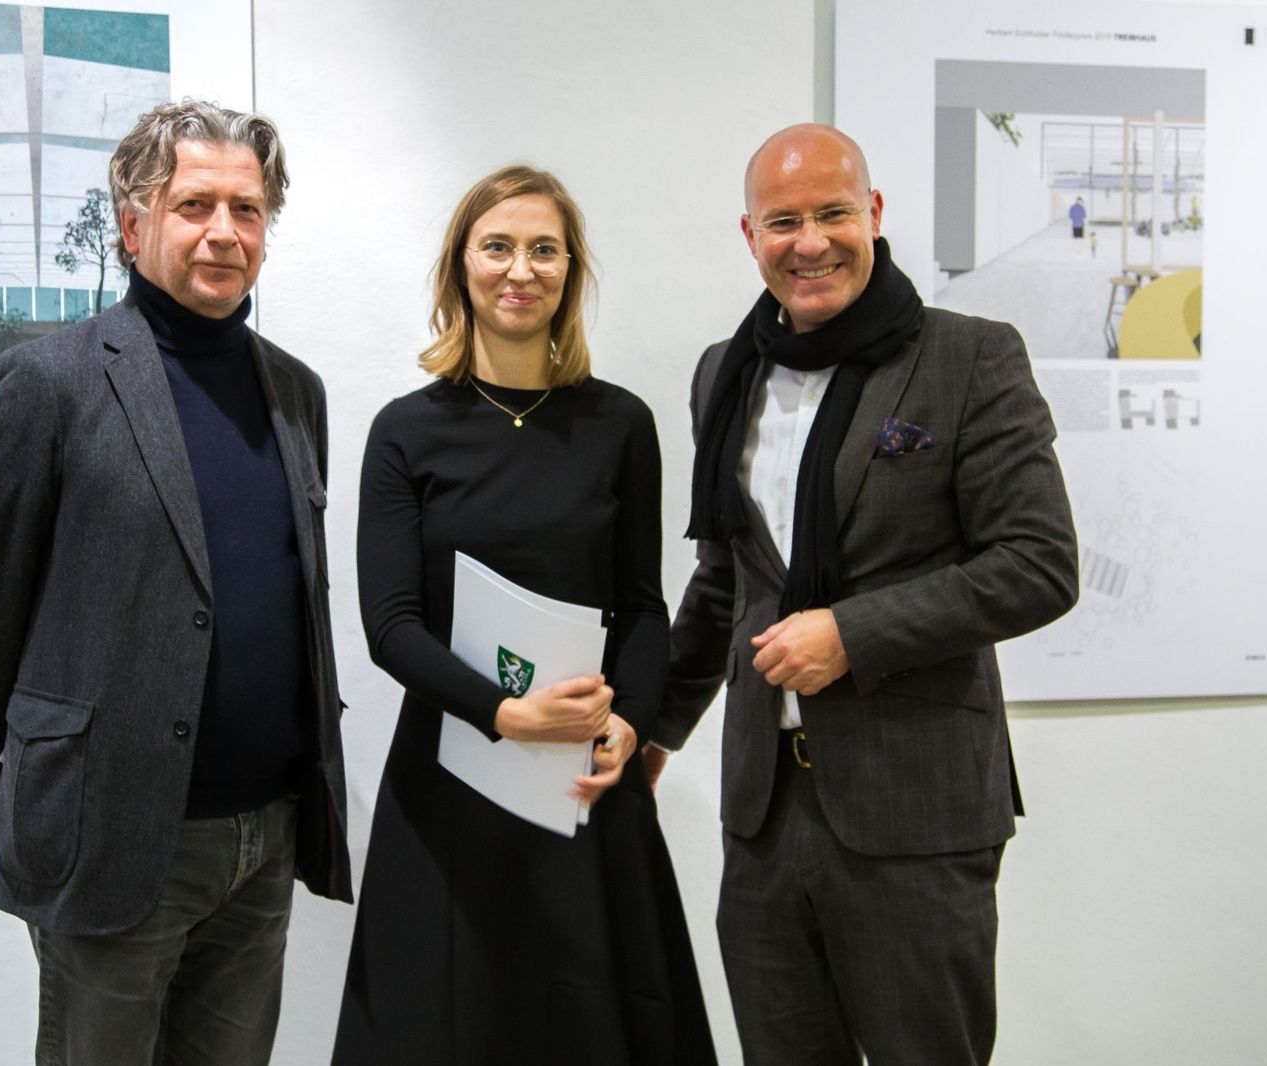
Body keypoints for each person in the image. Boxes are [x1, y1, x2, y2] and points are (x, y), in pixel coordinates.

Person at [0, 100, 350, 1065]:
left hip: (266, 835)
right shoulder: (48, 383)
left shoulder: (296, 391)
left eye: (247, 209)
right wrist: (34, 768)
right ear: (132, 224)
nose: (224, 232)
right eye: (194, 204)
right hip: (112, 830)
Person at [646, 124, 1079, 1064]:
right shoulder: (724, 372)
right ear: (750, 235)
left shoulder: (969, 357)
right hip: (762, 815)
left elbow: (1038, 563)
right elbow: (726, 581)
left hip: (914, 809)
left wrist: (852, 632)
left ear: (874, 213)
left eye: (834, 213)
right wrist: (656, 726)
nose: (811, 242)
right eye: (783, 222)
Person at [334, 165, 715, 1065]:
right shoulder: (405, 430)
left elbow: (642, 605)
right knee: (443, 1025)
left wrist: (632, 723)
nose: (521, 269)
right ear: (460, 266)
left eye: (544, 249)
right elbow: (391, 625)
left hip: (582, 778)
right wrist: (505, 715)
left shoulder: (621, 424)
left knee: (590, 1026)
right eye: (497, 246)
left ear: (570, 270)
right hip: (449, 782)